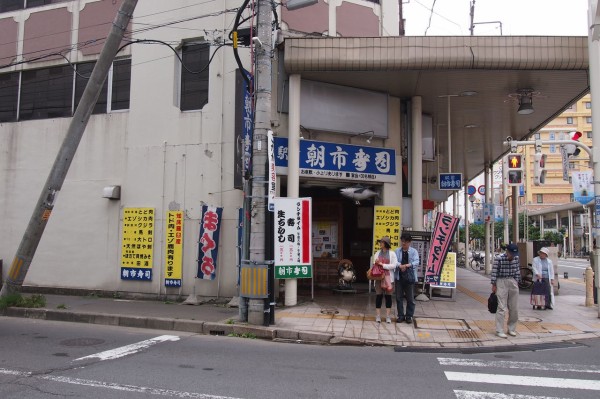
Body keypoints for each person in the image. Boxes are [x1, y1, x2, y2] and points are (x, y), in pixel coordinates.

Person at [490, 243, 521, 338]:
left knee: (514, 307)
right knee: (501, 307)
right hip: (501, 281)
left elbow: (517, 270)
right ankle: (499, 330)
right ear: (507, 251)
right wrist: (494, 284)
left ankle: (511, 328)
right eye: (511, 253)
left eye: (514, 254)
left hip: (512, 280)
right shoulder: (499, 258)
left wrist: (517, 281)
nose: (512, 256)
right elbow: (494, 271)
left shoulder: (516, 258)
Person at [394, 233, 420, 324]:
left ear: (410, 242)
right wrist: (400, 265)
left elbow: (416, 261)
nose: (403, 243)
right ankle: (400, 316)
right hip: (399, 277)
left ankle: (409, 316)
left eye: (406, 242)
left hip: (409, 278)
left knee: (410, 298)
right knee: (398, 297)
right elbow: (394, 261)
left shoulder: (414, 251)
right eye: (402, 241)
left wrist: (407, 265)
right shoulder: (397, 251)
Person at [371, 236, 398, 324]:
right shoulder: (377, 252)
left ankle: (388, 316)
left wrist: (382, 265)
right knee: (378, 296)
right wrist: (376, 262)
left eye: (381, 242)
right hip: (378, 277)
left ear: (385, 244)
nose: (380, 243)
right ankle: (378, 316)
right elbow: (374, 262)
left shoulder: (392, 253)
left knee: (388, 297)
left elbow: (394, 265)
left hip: (389, 278)